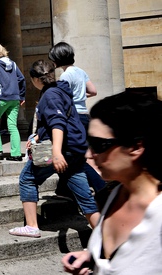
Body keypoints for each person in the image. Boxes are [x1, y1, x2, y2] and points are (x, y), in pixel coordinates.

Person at [61, 92, 162, 275]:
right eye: (88, 143)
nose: (89, 154)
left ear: (135, 147)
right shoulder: (116, 194)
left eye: (99, 145)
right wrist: (92, 257)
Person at [8, 60, 99, 238]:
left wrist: (56, 153)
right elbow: (60, 119)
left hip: (62, 150)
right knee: (83, 195)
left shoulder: (50, 95)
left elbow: (57, 123)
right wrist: (39, 135)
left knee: (27, 178)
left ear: (35, 79)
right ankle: (105, 234)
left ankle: (32, 226)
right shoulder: (62, 90)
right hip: (74, 150)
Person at [48, 42, 106, 197]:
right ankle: (65, 190)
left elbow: (62, 97)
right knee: (76, 156)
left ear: (57, 59)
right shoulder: (81, 71)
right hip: (85, 116)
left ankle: (100, 187)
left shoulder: (66, 75)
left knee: (73, 157)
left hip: (73, 118)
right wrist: (80, 97)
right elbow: (93, 91)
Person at [0, 42, 26, 161]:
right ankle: (16, 154)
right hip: (15, 99)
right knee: (12, 126)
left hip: (1, 98)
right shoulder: (12, 63)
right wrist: (22, 96)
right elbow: (22, 78)